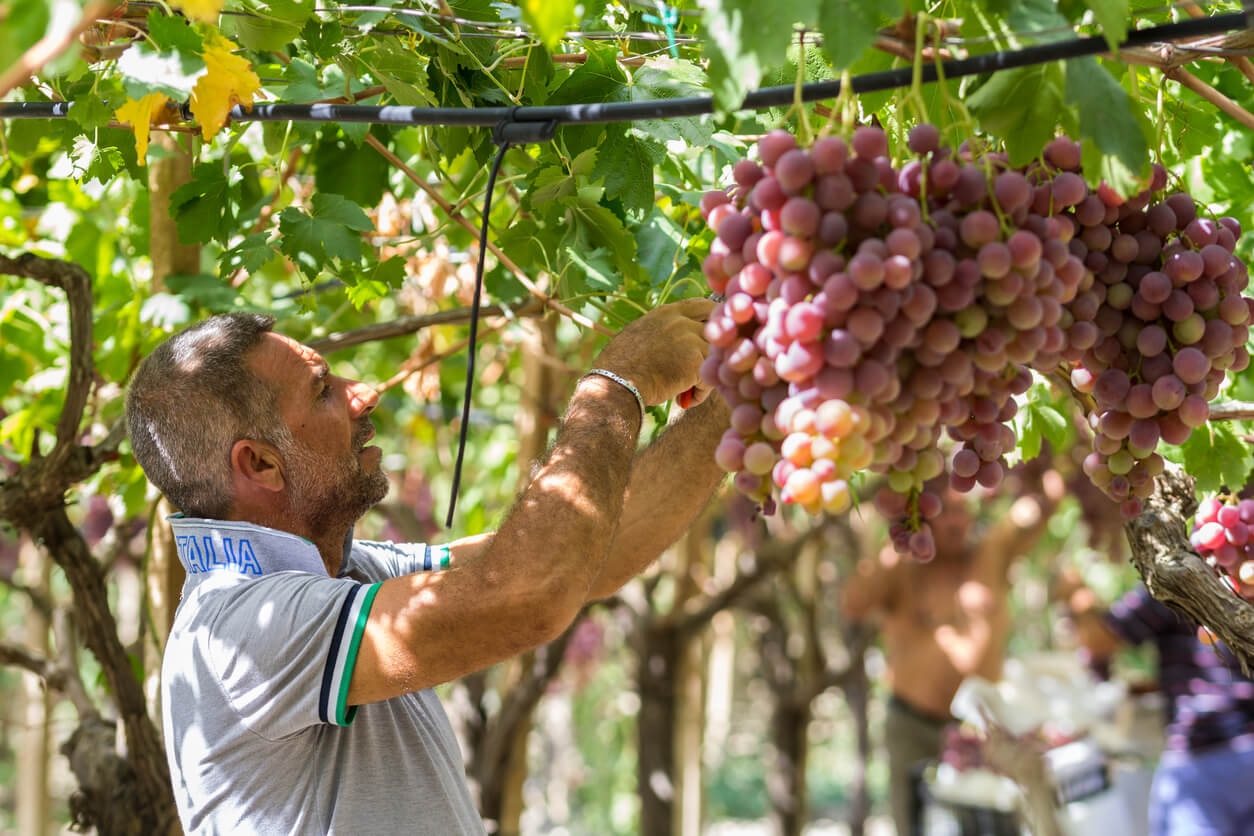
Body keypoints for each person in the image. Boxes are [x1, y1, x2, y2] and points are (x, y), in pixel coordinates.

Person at [124, 301, 730, 834]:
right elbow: (530, 592)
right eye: (322, 390)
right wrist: (613, 383)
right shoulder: (244, 627)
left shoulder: (350, 574)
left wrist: (740, 400)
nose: (364, 393)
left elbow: (596, 552)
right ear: (259, 464)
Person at [839, 473, 1062, 836]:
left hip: (982, 731)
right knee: (916, 824)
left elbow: (1045, 501)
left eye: (964, 511)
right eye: (946, 513)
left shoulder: (992, 551)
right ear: (924, 515)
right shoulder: (901, 563)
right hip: (912, 725)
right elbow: (853, 603)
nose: (958, 522)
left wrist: (1054, 450)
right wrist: (888, 533)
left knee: (991, 824)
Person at [1060, 576, 1254, 836]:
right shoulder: (1241, 570)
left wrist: (1077, 598)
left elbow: (1101, 640)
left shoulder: (1174, 579)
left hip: (1202, 756)